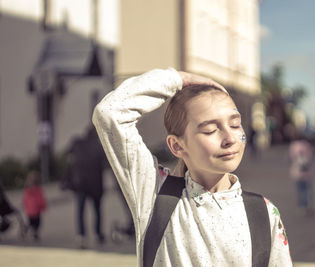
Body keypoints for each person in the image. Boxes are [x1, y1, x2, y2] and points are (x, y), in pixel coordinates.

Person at [92, 68, 292, 266]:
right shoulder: (154, 194)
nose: (230, 138)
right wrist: (179, 79)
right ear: (177, 146)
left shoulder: (263, 213)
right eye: (210, 130)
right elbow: (109, 113)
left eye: (235, 124)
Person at [66, 126, 107, 248]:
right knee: (97, 210)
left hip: (81, 184)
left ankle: (81, 236)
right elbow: (105, 163)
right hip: (95, 185)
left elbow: (68, 155)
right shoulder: (99, 147)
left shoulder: (77, 143)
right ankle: (98, 234)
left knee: (80, 211)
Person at [289, 137, 314, 216]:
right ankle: (306, 205)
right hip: (306, 172)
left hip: (297, 172)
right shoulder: (307, 145)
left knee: (300, 190)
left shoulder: (294, 145)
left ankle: (302, 205)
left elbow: (291, 157)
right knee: (306, 190)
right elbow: (310, 157)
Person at [23, 170, 46, 240]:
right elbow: (41, 200)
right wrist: (43, 206)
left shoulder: (28, 190)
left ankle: (28, 231)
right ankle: (34, 232)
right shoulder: (37, 190)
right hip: (35, 210)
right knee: (36, 222)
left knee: (31, 222)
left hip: (31, 210)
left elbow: (25, 201)